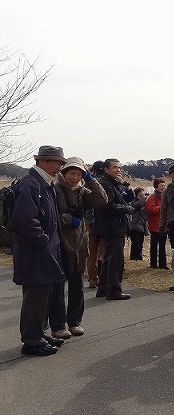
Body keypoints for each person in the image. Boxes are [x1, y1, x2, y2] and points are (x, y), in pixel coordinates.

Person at [11, 145, 67, 356]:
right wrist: (43, 241)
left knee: (41, 295)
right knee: (35, 296)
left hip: (42, 250)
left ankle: (37, 334)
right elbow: (24, 219)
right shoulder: (31, 184)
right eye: (57, 163)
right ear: (42, 161)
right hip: (35, 251)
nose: (59, 168)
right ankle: (32, 340)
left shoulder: (43, 183)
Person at [51, 157, 108, 338]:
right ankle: (58, 326)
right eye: (71, 173)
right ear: (64, 172)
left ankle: (74, 322)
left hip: (79, 245)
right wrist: (69, 219)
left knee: (77, 286)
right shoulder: (55, 189)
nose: (74, 177)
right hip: (60, 244)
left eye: (79, 174)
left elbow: (101, 200)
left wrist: (91, 179)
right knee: (57, 287)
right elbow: (51, 215)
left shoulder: (81, 190)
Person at [93, 158, 135, 300]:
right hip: (112, 226)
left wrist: (125, 186)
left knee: (108, 258)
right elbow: (108, 206)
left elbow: (125, 199)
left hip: (112, 225)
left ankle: (103, 289)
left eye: (119, 167)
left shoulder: (111, 183)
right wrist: (127, 209)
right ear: (106, 169)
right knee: (115, 260)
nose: (118, 170)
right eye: (115, 167)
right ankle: (113, 290)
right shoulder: (105, 184)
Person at [85, 161, 105, 288]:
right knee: (104, 251)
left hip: (89, 220)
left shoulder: (88, 182)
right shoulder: (106, 182)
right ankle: (103, 278)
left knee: (92, 252)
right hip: (103, 221)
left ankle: (93, 278)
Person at [145, 178, 168, 269]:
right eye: (161, 186)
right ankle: (153, 263)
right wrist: (161, 207)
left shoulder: (165, 197)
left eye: (164, 185)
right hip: (154, 225)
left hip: (163, 225)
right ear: (156, 187)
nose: (163, 187)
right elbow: (150, 209)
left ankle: (163, 264)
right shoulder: (152, 197)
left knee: (162, 245)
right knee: (154, 245)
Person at [129, 187, 148, 261]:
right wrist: (143, 199)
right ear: (138, 193)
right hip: (135, 225)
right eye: (142, 191)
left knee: (140, 242)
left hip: (142, 225)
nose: (143, 193)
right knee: (135, 242)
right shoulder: (134, 201)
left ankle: (139, 256)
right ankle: (135, 256)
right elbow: (136, 206)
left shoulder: (143, 202)